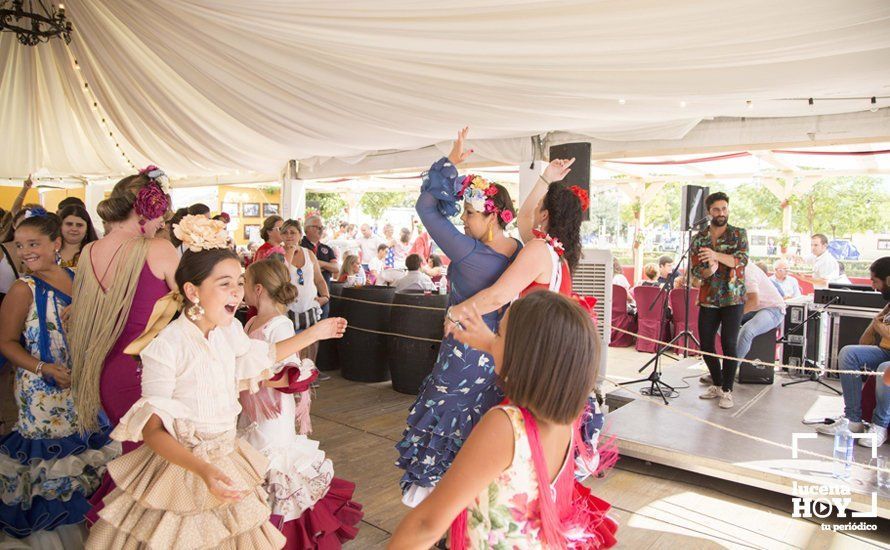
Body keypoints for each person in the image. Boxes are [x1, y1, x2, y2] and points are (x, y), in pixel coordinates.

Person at [84, 218, 348, 548]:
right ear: (192, 291)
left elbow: (261, 356)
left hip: (227, 457)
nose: (237, 292)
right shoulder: (167, 345)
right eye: (225, 284)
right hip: (183, 470)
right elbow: (152, 431)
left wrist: (313, 333)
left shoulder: (230, 331)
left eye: (239, 281)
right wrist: (203, 471)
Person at [389, 291, 617, 549]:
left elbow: (426, 525)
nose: (492, 340)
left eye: (498, 334)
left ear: (521, 357)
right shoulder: (567, 419)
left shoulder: (505, 427)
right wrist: (492, 343)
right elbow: (538, 359)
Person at [396, 127, 521, 507]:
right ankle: (477, 507)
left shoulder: (467, 252)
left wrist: (450, 162)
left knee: (440, 425)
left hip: (463, 355)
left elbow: (426, 209)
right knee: (483, 429)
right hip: (500, 357)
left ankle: (437, 511)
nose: (464, 220)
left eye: (469, 213)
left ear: (493, 216)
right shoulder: (522, 251)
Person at [67, 166, 179, 523]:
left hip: (107, 372)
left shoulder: (89, 252)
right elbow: (195, 306)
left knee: (141, 460)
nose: (162, 220)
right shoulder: (158, 249)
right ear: (145, 207)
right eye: (161, 211)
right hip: (147, 371)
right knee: (162, 468)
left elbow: (80, 311)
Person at [0, 213, 120, 546]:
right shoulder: (22, 288)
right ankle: (54, 535)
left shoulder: (79, 278)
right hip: (41, 392)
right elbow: (6, 342)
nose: (25, 252)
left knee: (83, 454)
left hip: (82, 385)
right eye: (20, 246)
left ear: (56, 243)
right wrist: (43, 369)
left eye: (33, 244)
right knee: (51, 461)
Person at [240, 259, 362, 547]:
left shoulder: (280, 326)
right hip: (251, 414)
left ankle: (280, 535)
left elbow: (289, 377)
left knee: (272, 471)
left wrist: (251, 377)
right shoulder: (249, 322)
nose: (240, 289)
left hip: (271, 418)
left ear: (258, 289)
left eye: (243, 283)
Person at [815, 257, 890, 448]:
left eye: (875, 281)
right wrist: (877, 321)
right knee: (849, 353)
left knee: (884, 368)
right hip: (885, 351)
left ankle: (880, 426)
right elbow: (864, 341)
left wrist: (880, 327)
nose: (873, 286)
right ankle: (853, 419)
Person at [691, 191, 748, 410]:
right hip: (708, 297)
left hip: (733, 297)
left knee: (729, 343)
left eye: (724, 208)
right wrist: (709, 270)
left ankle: (727, 390)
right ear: (709, 212)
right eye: (716, 209)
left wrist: (715, 256)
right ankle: (716, 383)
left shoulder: (738, 234)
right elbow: (698, 271)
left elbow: (741, 260)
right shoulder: (700, 238)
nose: (721, 213)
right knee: (706, 345)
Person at [700, 262, 785, 386]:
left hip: (773, 308)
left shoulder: (747, 271)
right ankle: (720, 370)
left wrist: (732, 319)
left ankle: (727, 373)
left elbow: (754, 302)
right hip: (753, 308)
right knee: (719, 324)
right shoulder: (725, 270)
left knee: (747, 331)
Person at [281, 219, 330, 363]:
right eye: (285, 232)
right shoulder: (277, 253)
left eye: (293, 232)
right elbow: (280, 277)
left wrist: (325, 296)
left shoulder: (309, 254)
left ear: (300, 235)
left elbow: (319, 279)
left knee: (312, 342)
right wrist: (288, 254)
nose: (289, 235)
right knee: (292, 345)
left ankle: (310, 374)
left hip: (310, 306)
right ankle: (295, 377)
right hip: (288, 309)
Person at [302, 214, 339, 318]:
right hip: (305, 297)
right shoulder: (300, 247)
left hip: (323, 295)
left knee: (322, 328)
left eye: (322, 227)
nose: (321, 230)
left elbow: (336, 268)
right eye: (317, 227)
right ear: (307, 229)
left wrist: (319, 263)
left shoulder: (326, 248)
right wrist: (326, 266)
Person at [57, 204, 99, 268]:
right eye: (69, 224)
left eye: (79, 225)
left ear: (87, 228)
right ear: (60, 226)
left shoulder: (95, 254)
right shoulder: (49, 251)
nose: (74, 229)